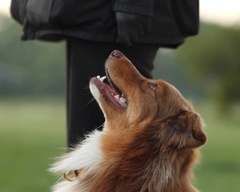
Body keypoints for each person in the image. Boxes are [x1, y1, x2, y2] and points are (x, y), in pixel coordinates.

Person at [10, 0, 199, 148]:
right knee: (82, 145)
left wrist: (133, 4)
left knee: (111, 154)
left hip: (114, 16)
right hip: (92, 15)